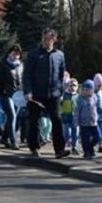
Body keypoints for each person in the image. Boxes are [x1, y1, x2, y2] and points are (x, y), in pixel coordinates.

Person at [21, 28, 68, 158]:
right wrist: (27, 91)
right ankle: (34, 147)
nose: (46, 42)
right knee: (34, 121)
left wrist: (61, 91)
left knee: (57, 120)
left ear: (54, 40)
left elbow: (61, 74)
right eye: (44, 39)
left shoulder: (59, 55)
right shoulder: (34, 55)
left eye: (49, 39)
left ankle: (59, 149)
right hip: (36, 93)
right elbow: (27, 75)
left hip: (54, 94)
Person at [0, 44, 23, 150]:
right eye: (13, 53)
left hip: (17, 95)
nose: (15, 55)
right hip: (5, 94)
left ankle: (4, 138)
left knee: (12, 118)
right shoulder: (3, 64)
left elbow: (22, 81)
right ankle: (13, 141)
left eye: (18, 54)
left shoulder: (20, 66)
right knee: (12, 116)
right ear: (9, 53)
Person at [74, 80, 100, 159]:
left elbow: (99, 108)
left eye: (87, 90)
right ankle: (87, 152)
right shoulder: (80, 99)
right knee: (85, 138)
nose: (85, 91)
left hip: (93, 122)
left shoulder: (95, 98)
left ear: (92, 90)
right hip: (84, 123)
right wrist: (76, 121)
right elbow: (77, 111)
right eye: (84, 90)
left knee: (97, 137)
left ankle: (90, 147)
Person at [61, 78, 79, 155]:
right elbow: (60, 104)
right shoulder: (64, 95)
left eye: (74, 85)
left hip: (75, 118)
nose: (72, 87)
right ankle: (64, 144)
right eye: (70, 85)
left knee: (75, 133)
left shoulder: (78, 97)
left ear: (77, 87)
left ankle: (74, 148)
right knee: (67, 133)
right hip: (66, 117)